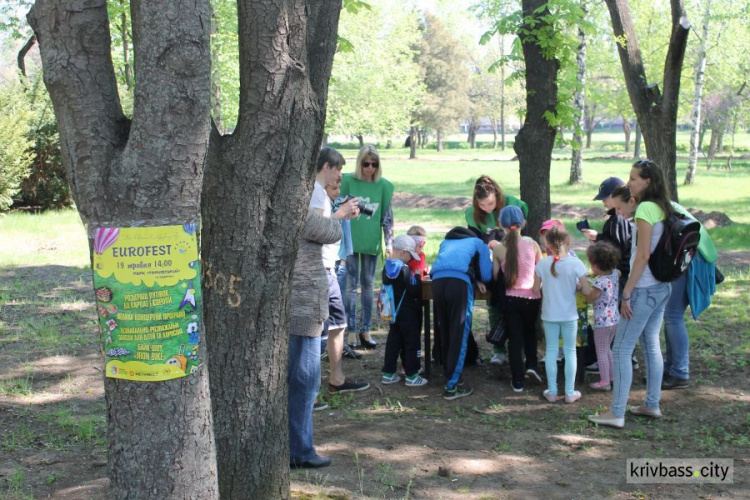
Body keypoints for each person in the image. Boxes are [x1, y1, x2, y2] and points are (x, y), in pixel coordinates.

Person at [589, 159, 673, 428]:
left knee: (621, 350)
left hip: (643, 289)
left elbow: (643, 255)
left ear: (647, 181)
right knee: (650, 344)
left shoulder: (645, 209)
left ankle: (616, 413)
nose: (629, 182)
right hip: (661, 288)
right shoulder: (660, 206)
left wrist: (626, 292)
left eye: (634, 178)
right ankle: (651, 404)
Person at [310, 148, 370, 395]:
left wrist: (344, 215)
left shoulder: (322, 194)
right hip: (317, 269)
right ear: (327, 167)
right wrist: (340, 214)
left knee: (338, 324)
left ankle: (337, 379)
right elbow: (314, 230)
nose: (340, 176)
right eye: (339, 170)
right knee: (313, 332)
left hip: (329, 268)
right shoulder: (314, 193)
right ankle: (310, 394)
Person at [288, 209, 342, 469]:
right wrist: (338, 214)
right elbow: (334, 231)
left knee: (301, 382)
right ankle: (299, 450)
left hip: (301, 309)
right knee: (304, 382)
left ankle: (297, 447)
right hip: (302, 311)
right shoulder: (299, 212)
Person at [464, 175, 527, 366]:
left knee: (517, 309)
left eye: (490, 203)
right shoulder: (472, 214)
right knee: (494, 307)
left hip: (515, 264)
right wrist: (479, 277)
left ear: (497, 196)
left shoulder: (512, 203)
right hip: (491, 266)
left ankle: (518, 350)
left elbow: (522, 229)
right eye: (482, 205)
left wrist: (504, 244)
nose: (487, 208)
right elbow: (475, 244)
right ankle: (498, 350)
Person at [340, 145, 394, 349]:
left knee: (369, 286)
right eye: (366, 164)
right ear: (359, 163)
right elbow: (337, 206)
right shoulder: (347, 181)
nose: (370, 168)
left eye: (374, 164)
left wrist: (389, 242)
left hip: (371, 243)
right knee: (351, 287)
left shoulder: (384, 187)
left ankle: (366, 329)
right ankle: (351, 330)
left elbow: (387, 218)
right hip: (351, 242)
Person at [430, 227, 492, 400]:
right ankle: (452, 386)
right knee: (459, 330)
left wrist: (474, 277)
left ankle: (448, 372)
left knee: (445, 329)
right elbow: (487, 274)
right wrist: (479, 279)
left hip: (437, 282)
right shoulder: (478, 243)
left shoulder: (446, 242)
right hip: (459, 284)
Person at [662, 201, 719, 390]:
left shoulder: (651, 206)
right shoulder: (662, 202)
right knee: (671, 315)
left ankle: (679, 371)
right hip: (689, 256)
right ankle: (671, 367)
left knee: (673, 315)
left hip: (689, 259)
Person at [533, 225, 588, 404]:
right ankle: (570, 392)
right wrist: (578, 287)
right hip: (569, 315)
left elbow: (535, 290)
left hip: (549, 315)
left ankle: (553, 391)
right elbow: (586, 290)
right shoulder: (576, 263)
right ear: (567, 241)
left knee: (551, 350)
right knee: (570, 351)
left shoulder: (542, 263)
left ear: (547, 244)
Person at [492, 206, 542, 392]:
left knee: (515, 339)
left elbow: (496, 276)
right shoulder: (533, 244)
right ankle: (532, 365)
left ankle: (518, 381)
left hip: (511, 299)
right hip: (533, 298)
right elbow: (540, 269)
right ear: (523, 223)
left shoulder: (498, 249)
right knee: (530, 333)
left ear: (500, 225)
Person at [380, 235, 428, 387]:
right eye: (409, 255)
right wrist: (419, 279)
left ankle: (388, 373)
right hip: (408, 312)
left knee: (393, 341)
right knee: (411, 342)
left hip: (393, 311)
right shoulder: (404, 269)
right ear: (403, 252)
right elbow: (413, 289)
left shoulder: (386, 267)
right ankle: (412, 376)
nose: (410, 259)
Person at [581, 177, 632, 303]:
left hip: (622, 273)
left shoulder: (619, 218)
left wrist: (598, 238)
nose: (603, 201)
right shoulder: (616, 216)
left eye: (606, 197)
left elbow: (618, 246)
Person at [581, 242, 621, 391]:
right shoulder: (615, 274)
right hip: (614, 320)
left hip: (602, 322)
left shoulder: (600, 282)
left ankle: (604, 382)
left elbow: (591, 298)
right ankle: (612, 376)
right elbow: (618, 274)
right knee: (607, 349)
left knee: (601, 352)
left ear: (596, 265)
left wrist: (583, 289)